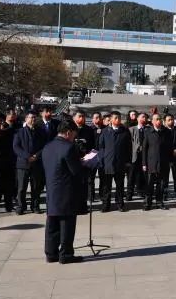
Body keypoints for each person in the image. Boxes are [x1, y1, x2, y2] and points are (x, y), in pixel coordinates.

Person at [42, 120, 99, 264]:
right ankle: (66, 254)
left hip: (52, 190)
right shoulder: (68, 147)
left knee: (52, 223)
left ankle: (51, 253)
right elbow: (76, 171)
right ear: (68, 133)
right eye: (73, 135)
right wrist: (88, 164)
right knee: (67, 223)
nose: (74, 138)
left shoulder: (48, 146)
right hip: (66, 191)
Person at [98, 112, 132, 212]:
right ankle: (106, 205)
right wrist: (101, 161)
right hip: (107, 164)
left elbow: (128, 148)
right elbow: (101, 147)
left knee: (120, 186)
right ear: (111, 120)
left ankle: (120, 204)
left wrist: (127, 161)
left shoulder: (125, 132)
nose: (118, 120)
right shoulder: (104, 132)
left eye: (119, 118)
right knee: (106, 187)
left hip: (120, 164)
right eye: (116, 118)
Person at [142, 113, 173, 210]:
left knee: (161, 185)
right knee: (149, 185)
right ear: (152, 121)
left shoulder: (166, 132)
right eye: (156, 119)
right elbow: (144, 149)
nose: (158, 121)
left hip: (163, 163)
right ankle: (148, 203)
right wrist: (144, 163)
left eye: (159, 119)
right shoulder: (148, 132)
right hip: (151, 163)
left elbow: (169, 147)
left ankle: (160, 202)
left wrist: (170, 160)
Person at [128, 113, 148, 201]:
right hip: (134, 156)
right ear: (138, 118)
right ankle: (129, 193)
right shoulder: (131, 130)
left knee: (143, 175)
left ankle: (142, 191)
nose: (144, 119)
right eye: (142, 117)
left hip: (145, 156)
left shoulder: (148, 129)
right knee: (131, 176)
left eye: (145, 117)